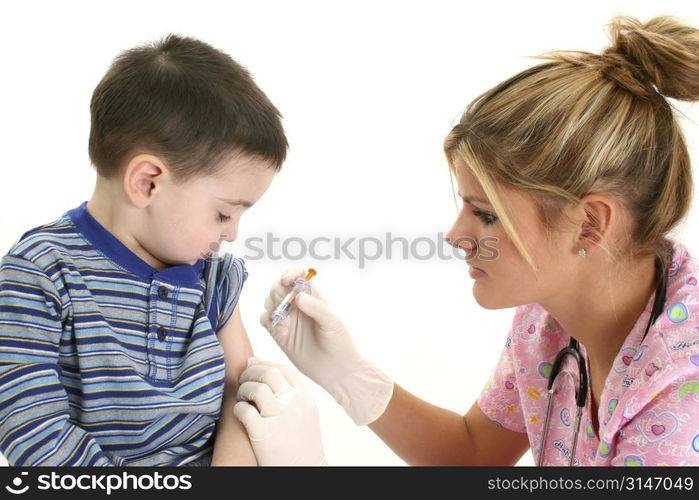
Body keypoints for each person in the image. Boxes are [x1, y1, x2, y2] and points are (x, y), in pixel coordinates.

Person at [234, 15, 699, 466]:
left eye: (486, 214)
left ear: (590, 225)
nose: (456, 236)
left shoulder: (683, 390)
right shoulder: (546, 319)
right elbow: (474, 455)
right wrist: (351, 377)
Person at [0, 33, 288, 466]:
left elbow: (241, 396)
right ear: (147, 181)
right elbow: (33, 427)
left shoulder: (213, 279)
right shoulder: (41, 274)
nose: (231, 235)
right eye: (225, 214)